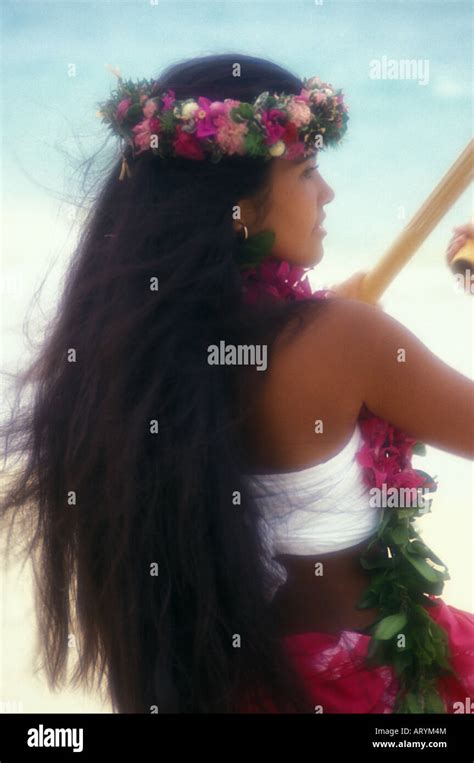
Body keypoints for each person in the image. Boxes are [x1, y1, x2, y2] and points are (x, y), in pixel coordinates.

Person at [1, 53, 473, 715]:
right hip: (372, 691)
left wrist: (337, 328)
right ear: (240, 210)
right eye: (307, 171)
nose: (329, 193)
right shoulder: (344, 339)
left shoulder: (140, 352)